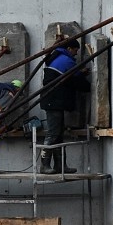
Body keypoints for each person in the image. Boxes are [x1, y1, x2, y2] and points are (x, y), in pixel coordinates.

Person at [39, 38, 90, 174]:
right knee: (53, 133)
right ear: (69, 49)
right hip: (53, 101)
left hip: (54, 101)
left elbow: (69, 78)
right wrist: (86, 81)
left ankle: (60, 165)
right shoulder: (66, 60)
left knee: (58, 135)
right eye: (75, 50)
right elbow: (77, 80)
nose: (75, 53)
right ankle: (44, 165)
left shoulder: (58, 57)